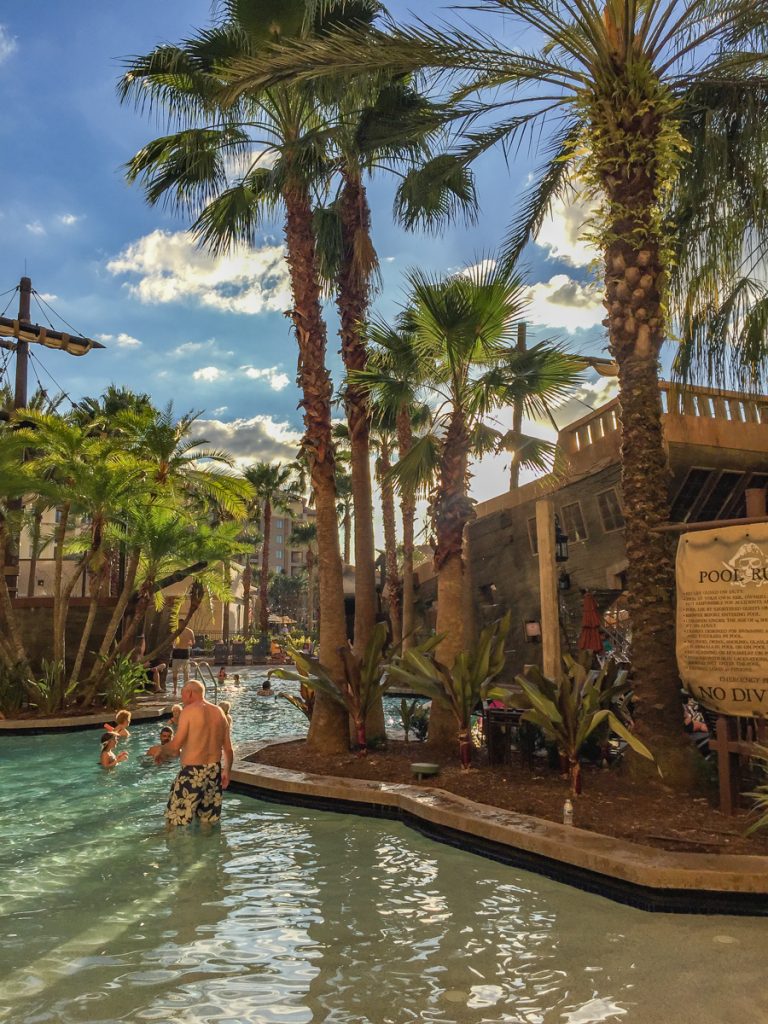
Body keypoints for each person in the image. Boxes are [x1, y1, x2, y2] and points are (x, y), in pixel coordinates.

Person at [157, 679, 234, 829]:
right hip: (214, 771)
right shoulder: (219, 712)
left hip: (192, 773)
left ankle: (175, 851)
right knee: (208, 822)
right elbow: (228, 749)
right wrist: (227, 771)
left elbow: (175, 746)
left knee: (174, 822)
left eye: (182, 695)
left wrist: (161, 750)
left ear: (190, 693)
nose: (182, 699)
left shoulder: (189, 711)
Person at [170, 625, 195, 698]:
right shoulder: (189, 631)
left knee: (182, 673)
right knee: (183, 673)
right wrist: (188, 643)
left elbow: (192, 642)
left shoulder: (179, 631)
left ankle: (176, 689)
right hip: (181, 652)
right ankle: (177, 689)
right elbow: (193, 642)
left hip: (181, 652)